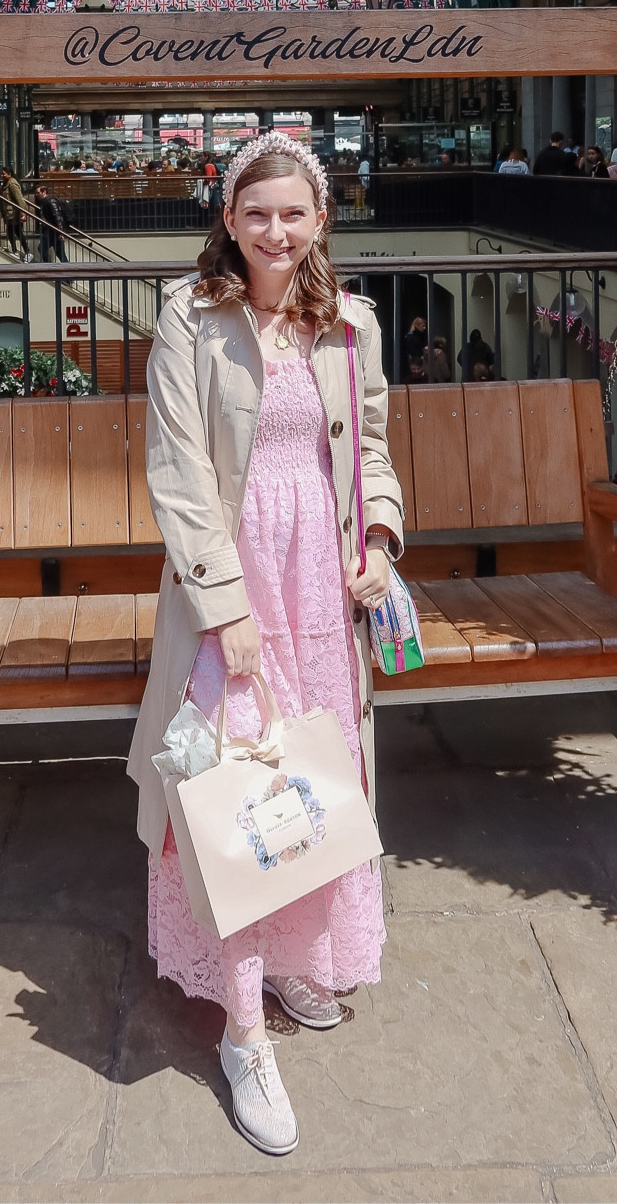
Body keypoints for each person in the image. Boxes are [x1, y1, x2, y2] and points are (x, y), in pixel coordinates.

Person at [128, 131, 403, 1157]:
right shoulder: (189, 320)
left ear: (318, 218)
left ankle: (294, 955)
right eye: (256, 213)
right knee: (229, 789)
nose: (274, 230)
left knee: (306, 784)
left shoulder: (349, 327)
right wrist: (224, 605)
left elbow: (371, 449)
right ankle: (244, 1029)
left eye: (292, 213)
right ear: (228, 220)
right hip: (232, 593)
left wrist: (378, 532)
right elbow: (177, 470)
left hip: (320, 593)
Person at [32, 184, 69, 261]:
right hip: (51, 230)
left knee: (47, 250)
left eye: (38, 193)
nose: (36, 195)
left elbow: (57, 216)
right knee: (59, 253)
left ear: (44, 192)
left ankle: (50, 265)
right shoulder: (44, 201)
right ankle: (51, 265)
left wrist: (60, 231)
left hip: (53, 231)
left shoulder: (50, 201)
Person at [0, 166, 29, 255]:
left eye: (4, 174)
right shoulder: (5, 183)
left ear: (10, 174)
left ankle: (26, 251)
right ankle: (15, 250)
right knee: (11, 232)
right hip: (9, 213)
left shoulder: (12, 184)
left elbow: (19, 198)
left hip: (14, 213)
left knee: (17, 232)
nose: (2, 175)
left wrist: (23, 212)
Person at [401, 313, 427, 382]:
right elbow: (411, 349)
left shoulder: (421, 335)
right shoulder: (412, 337)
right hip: (415, 359)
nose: (424, 328)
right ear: (417, 326)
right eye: (423, 326)